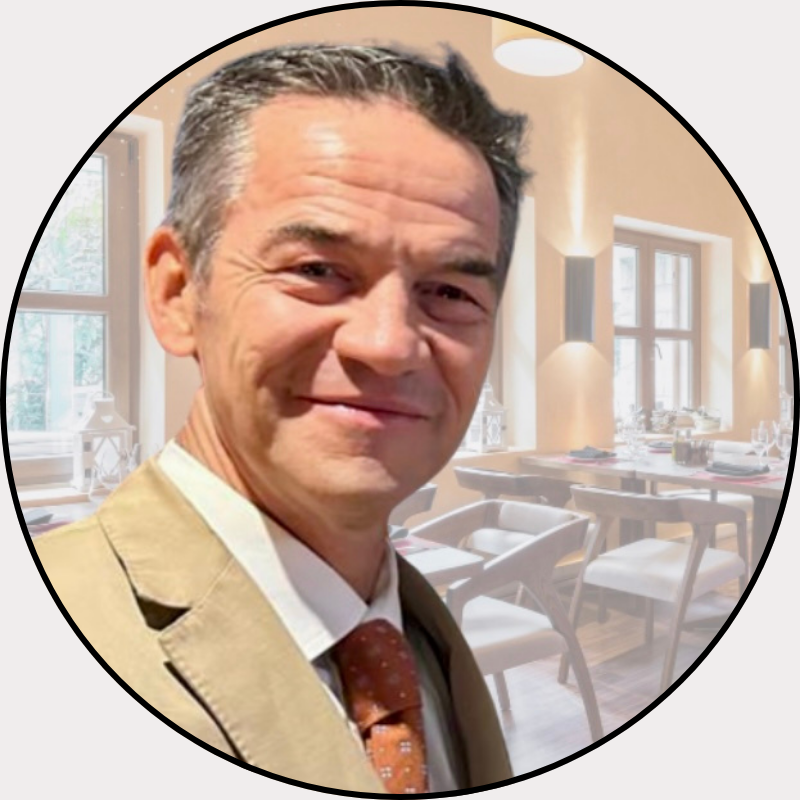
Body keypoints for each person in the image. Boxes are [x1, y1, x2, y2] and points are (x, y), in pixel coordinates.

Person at [34, 44, 529, 793]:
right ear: (177, 293)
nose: (390, 345)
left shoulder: (413, 630)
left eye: (450, 293)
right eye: (317, 271)